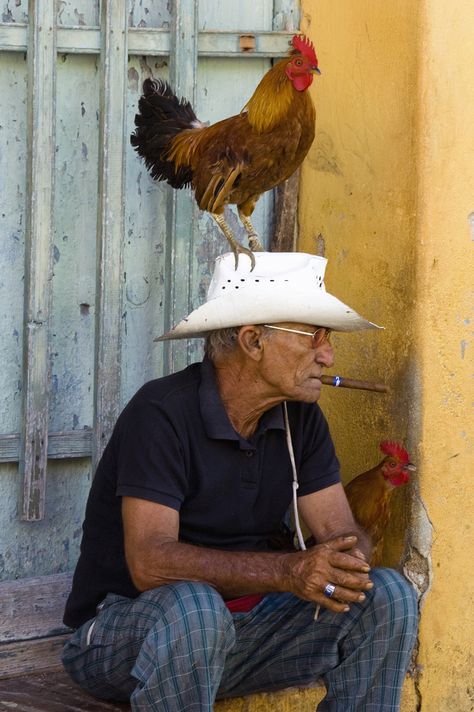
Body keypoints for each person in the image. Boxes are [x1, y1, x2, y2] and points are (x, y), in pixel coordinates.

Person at [62, 251, 418, 712]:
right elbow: (150, 563)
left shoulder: (300, 420)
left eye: (326, 338)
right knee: (195, 609)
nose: (327, 354)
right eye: (313, 336)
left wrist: (344, 562)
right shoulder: (161, 413)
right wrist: (290, 570)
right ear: (253, 341)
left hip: (244, 635)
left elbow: (340, 534)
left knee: (388, 595)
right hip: (125, 640)